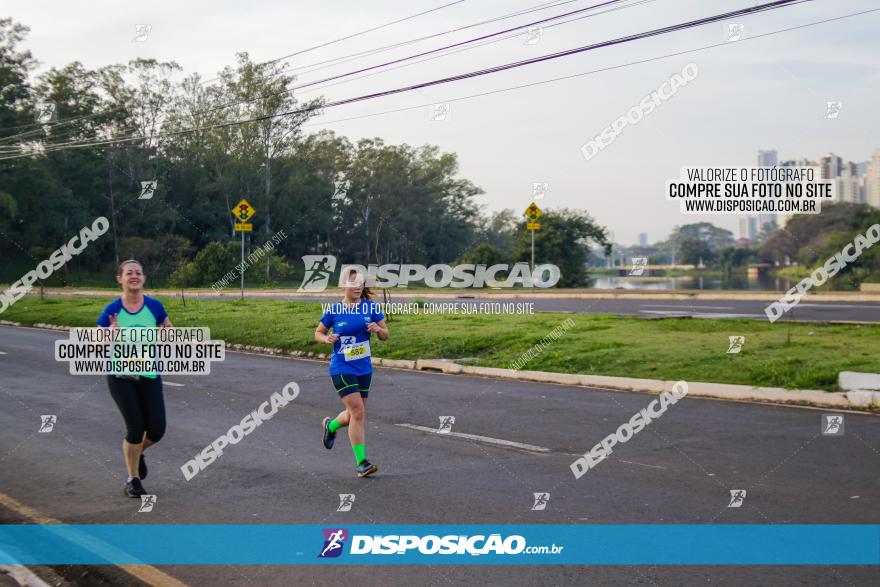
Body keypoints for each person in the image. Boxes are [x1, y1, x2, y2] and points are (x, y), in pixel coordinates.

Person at [97, 260, 172, 498]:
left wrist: (166, 334)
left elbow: (169, 331)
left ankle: (137, 453)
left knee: (157, 428)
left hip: (149, 373)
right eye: (129, 273)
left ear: (144, 278)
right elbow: (96, 343)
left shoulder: (154, 306)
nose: (134, 276)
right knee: (136, 427)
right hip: (121, 376)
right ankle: (133, 479)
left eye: (138, 273)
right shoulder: (112, 309)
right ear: (119, 279)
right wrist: (110, 334)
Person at [315, 269, 388, 477]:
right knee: (358, 413)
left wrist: (378, 330)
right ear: (343, 285)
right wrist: (326, 339)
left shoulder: (370, 307)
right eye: (353, 283)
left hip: (364, 367)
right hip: (342, 367)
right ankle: (361, 463)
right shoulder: (335, 310)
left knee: (353, 414)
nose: (357, 287)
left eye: (361, 284)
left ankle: (331, 425)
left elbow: (385, 335)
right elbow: (318, 332)